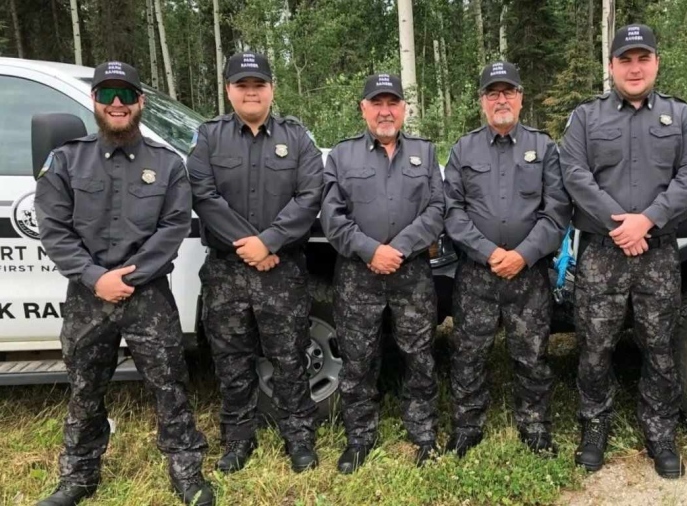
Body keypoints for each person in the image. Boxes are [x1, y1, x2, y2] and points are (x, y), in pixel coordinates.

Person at [35, 61, 212, 506]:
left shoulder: (167, 164)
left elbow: (173, 228)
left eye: (127, 95)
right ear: (94, 101)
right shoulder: (66, 160)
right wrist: (97, 278)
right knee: (85, 388)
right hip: (88, 296)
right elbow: (54, 230)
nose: (118, 103)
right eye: (108, 95)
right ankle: (77, 477)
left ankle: (187, 472)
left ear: (141, 102)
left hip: (147, 295)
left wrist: (127, 278)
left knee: (169, 385)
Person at [559, 24, 687, 478]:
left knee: (659, 345)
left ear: (656, 63)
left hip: (657, 250)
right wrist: (618, 224)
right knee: (594, 345)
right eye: (625, 60)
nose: (635, 68)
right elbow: (574, 172)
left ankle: (660, 432)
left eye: (643, 58)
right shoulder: (586, 117)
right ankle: (594, 425)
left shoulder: (680, 116)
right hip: (602, 251)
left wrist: (648, 219)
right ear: (611, 66)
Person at [187, 52, 324, 474]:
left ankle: (298, 436)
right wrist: (249, 245)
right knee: (231, 360)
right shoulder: (208, 137)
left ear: (271, 90)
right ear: (228, 90)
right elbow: (203, 195)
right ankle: (238, 439)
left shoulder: (297, 138)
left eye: (258, 85)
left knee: (290, 356)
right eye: (242, 85)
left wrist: (269, 242)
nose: (251, 92)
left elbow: (310, 196)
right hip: (227, 271)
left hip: (282, 269)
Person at [442, 62, 571, 458]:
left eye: (508, 92)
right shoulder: (463, 149)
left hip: (528, 273)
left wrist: (523, 254)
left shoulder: (544, 148)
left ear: (520, 98)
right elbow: (452, 212)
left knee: (532, 354)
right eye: (493, 93)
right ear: (482, 101)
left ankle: (535, 426)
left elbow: (557, 212)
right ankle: (467, 426)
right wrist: (490, 252)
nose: (501, 100)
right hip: (477, 274)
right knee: (469, 354)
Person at [321, 73, 445, 474]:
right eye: (377, 103)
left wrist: (400, 249)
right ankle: (359, 436)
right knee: (358, 359)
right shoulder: (341, 156)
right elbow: (331, 217)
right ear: (364, 109)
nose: (385, 111)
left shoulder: (425, 153)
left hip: (412, 274)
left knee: (419, 356)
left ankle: (423, 432)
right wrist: (371, 251)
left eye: (393, 103)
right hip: (358, 274)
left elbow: (437, 210)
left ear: (404, 109)